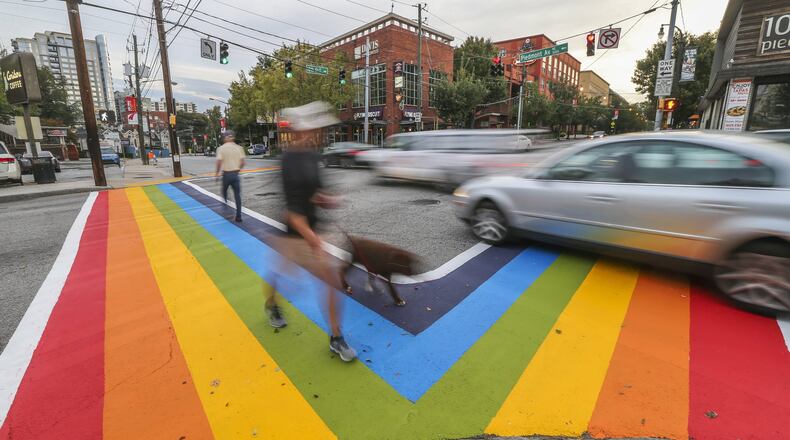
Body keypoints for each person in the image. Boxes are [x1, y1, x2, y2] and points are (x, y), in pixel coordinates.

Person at [264, 101, 357, 362]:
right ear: (299, 131)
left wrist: (327, 199)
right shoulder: (288, 161)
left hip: (314, 230)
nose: (319, 132)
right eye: (314, 128)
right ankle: (271, 304)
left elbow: (315, 192)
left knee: (332, 281)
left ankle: (336, 337)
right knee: (279, 275)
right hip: (294, 235)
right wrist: (313, 240)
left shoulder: (314, 156)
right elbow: (292, 212)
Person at [215, 130, 245, 222]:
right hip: (235, 174)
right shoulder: (239, 148)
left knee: (224, 191)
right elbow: (243, 162)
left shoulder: (221, 148)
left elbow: (219, 162)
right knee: (237, 195)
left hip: (226, 174)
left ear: (225, 138)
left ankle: (226, 204)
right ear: (233, 138)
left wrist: (217, 173)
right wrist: (237, 169)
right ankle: (238, 216)